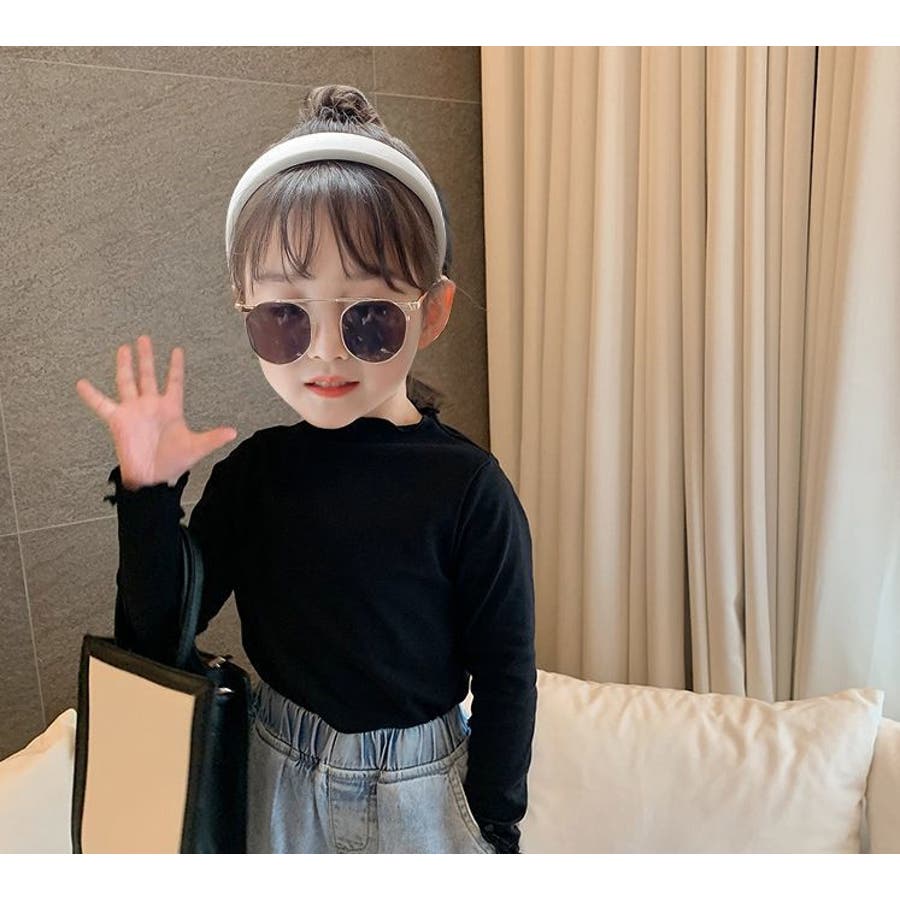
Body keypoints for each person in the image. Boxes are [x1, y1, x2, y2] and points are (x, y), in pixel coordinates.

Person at [75, 84, 537, 854]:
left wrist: (495, 829)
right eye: (286, 315)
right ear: (246, 308)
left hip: (425, 786)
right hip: (275, 775)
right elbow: (154, 638)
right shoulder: (255, 476)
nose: (324, 350)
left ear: (431, 311)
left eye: (369, 315)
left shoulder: (470, 490)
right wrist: (147, 496)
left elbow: (507, 675)